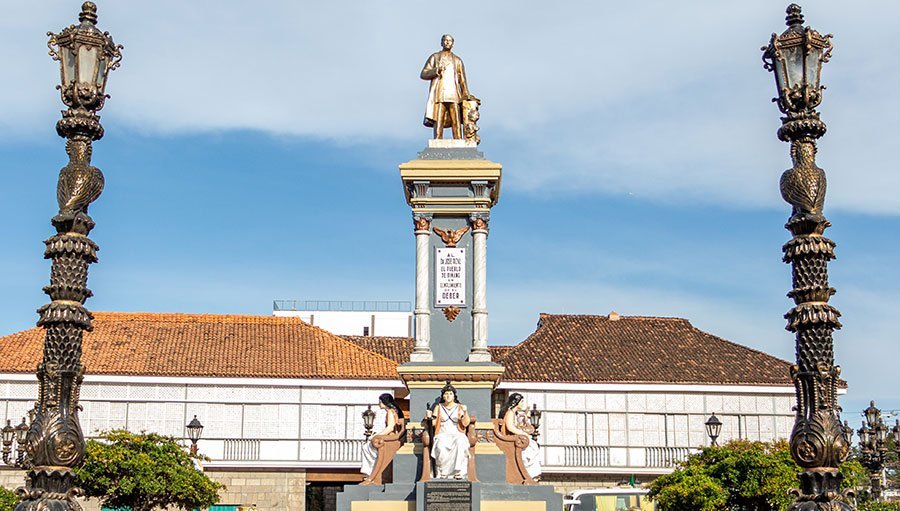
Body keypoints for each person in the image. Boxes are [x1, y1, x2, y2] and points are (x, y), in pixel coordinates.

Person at [420, 34, 470, 140]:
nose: (447, 42)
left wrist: (466, 93)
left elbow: (462, 79)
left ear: (453, 43)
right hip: (439, 94)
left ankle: (458, 140)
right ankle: (438, 140)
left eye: (449, 41)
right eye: (445, 40)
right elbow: (424, 74)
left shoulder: (457, 60)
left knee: (456, 119)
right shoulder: (435, 57)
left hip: (454, 94)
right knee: (438, 119)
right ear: (442, 42)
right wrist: (435, 71)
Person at [426, 382, 471, 479]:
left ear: (454, 396)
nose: (448, 396)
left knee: (461, 442)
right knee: (440, 445)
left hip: (456, 433)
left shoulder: (459, 407)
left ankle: (458, 471)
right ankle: (443, 471)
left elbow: (466, 423)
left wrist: (465, 412)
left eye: (450, 394)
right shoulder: (438, 407)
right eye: (446, 394)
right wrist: (429, 416)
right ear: (443, 396)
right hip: (443, 433)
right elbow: (433, 423)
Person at [360, 393, 403, 480]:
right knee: (367, 446)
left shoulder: (390, 412)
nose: (379, 403)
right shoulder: (392, 411)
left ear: (385, 402)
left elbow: (390, 428)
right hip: (389, 436)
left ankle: (371, 471)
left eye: (380, 401)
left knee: (366, 447)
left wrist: (376, 436)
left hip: (390, 438)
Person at [499, 393, 541, 480]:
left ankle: (530, 470)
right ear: (516, 402)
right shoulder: (510, 412)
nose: (522, 404)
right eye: (521, 401)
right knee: (532, 446)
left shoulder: (514, 413)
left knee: (533, 444)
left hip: (515, 438)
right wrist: (522, 433)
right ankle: (528, 469)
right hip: (511, 439)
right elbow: (510, 427)